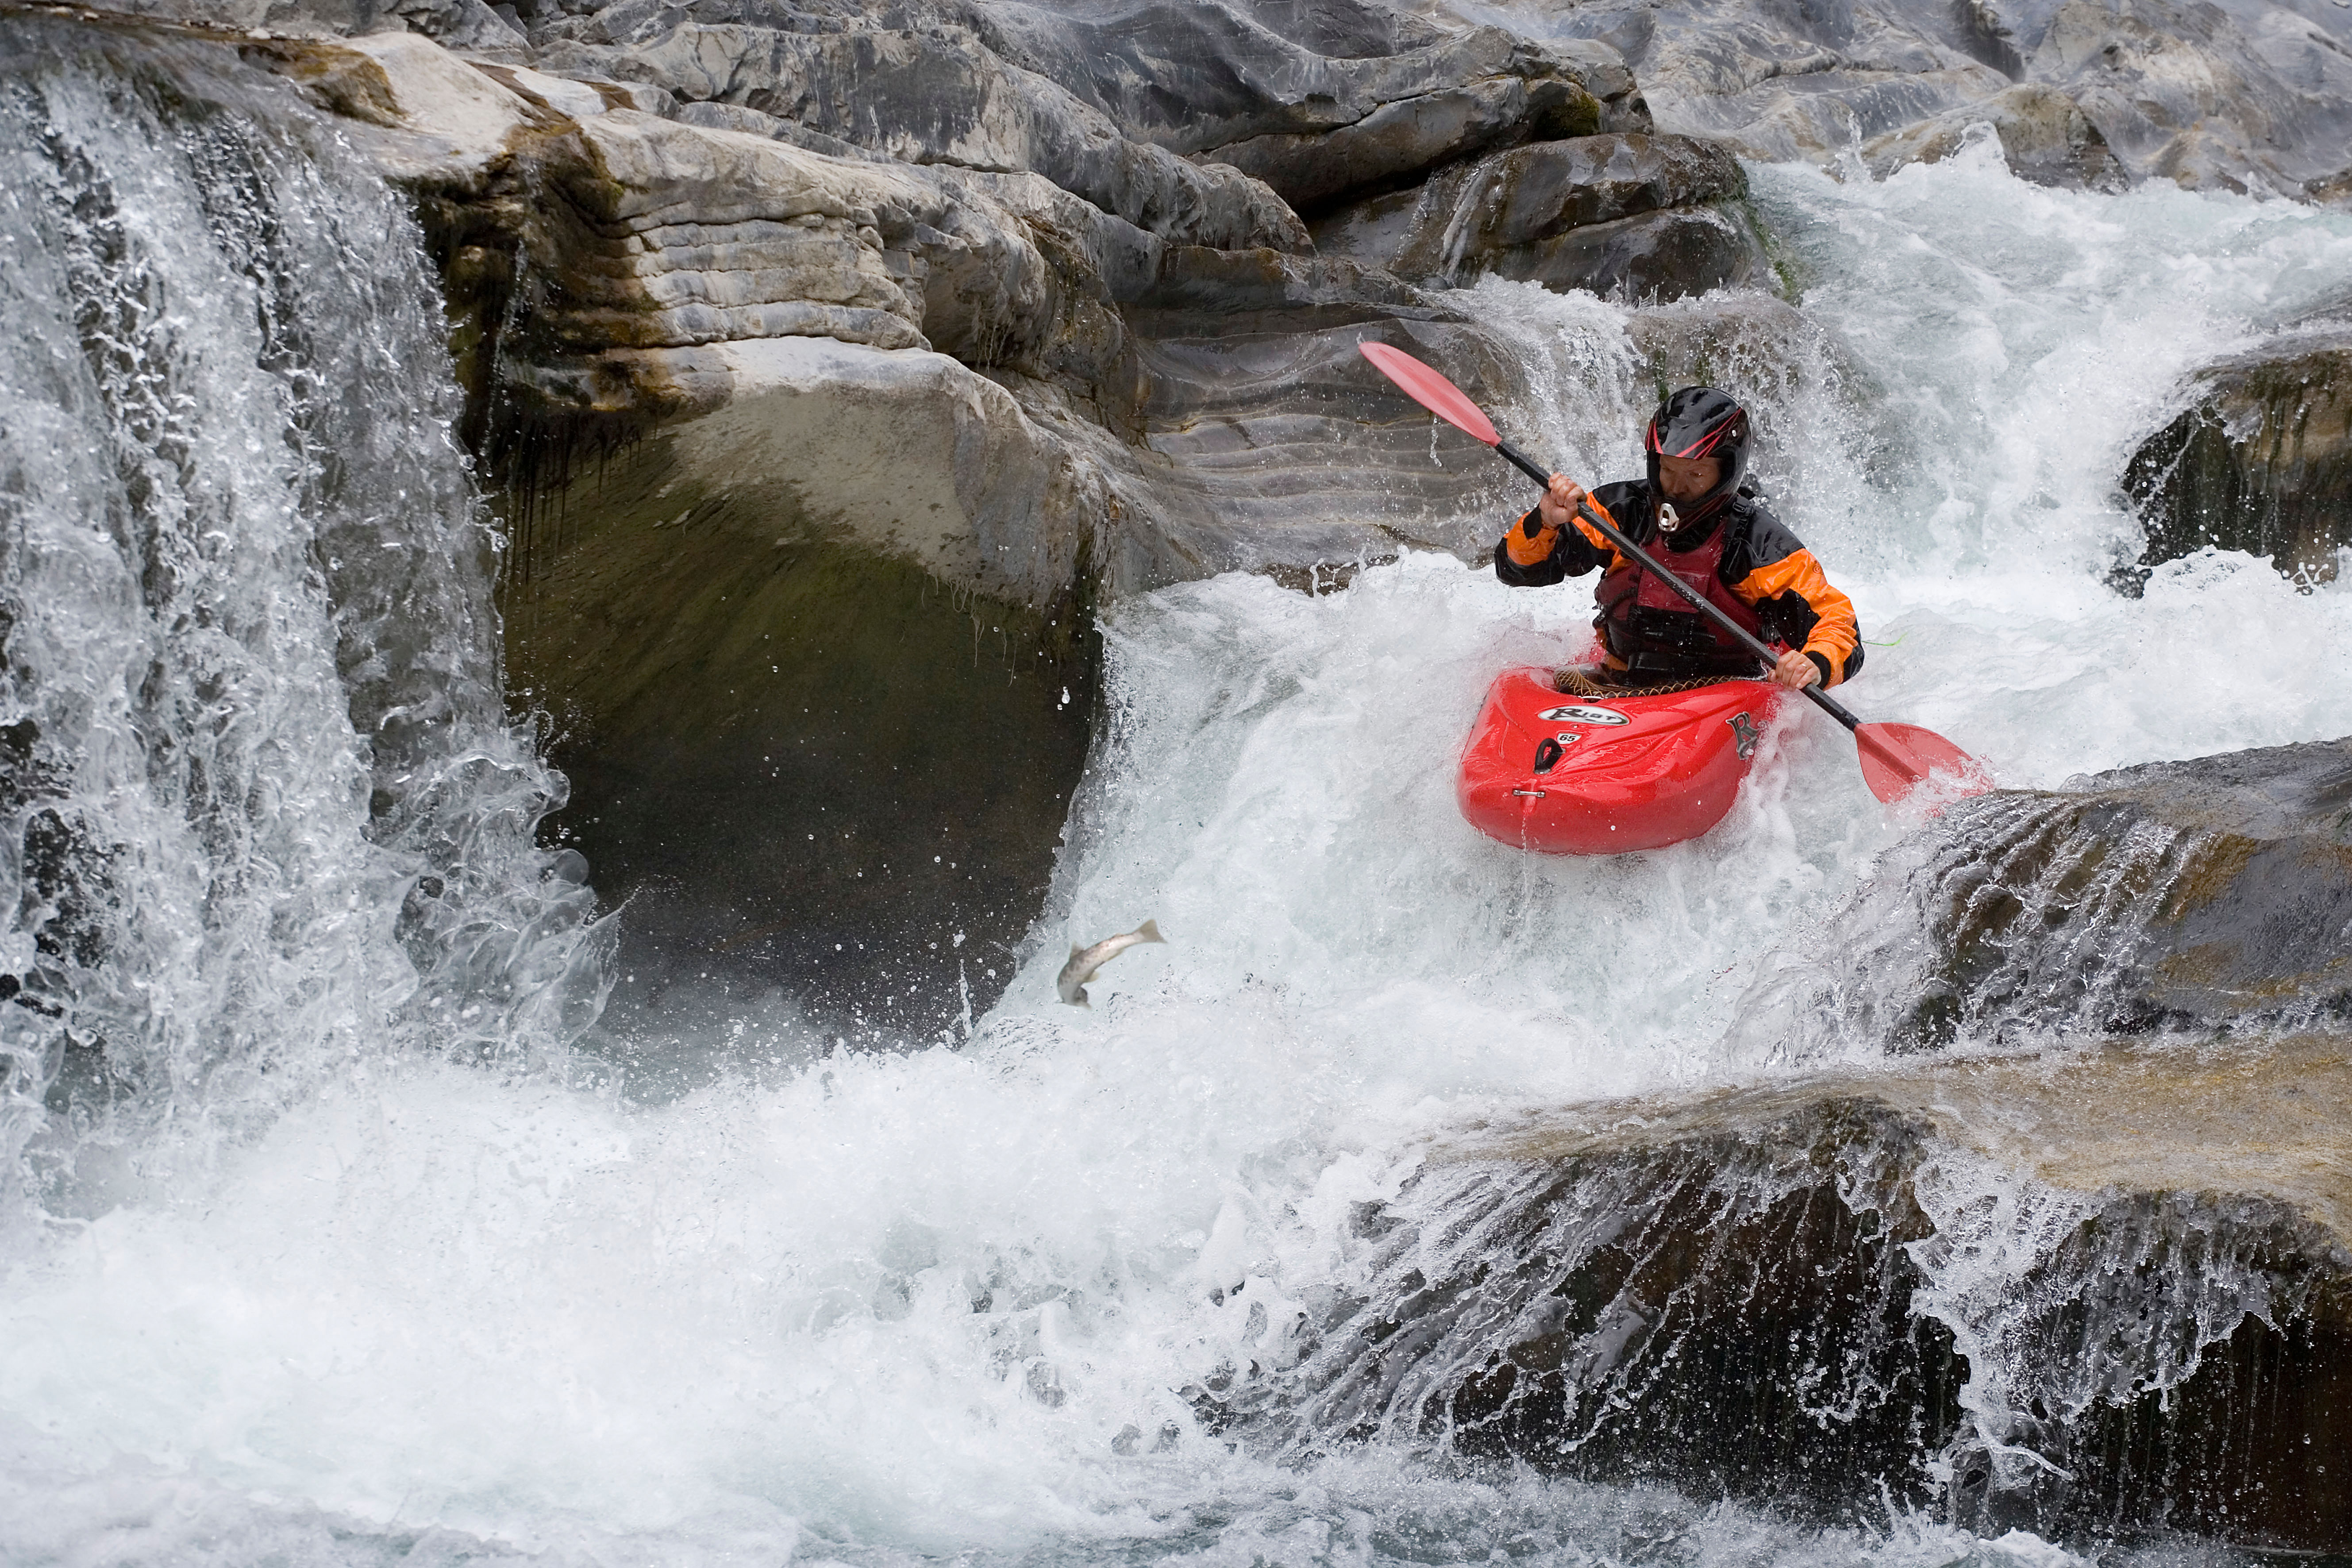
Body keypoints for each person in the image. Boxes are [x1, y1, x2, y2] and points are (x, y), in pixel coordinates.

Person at [1494, 387, 1861, 692]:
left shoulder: (1757, 545)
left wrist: (1814, 663)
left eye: (1696, 474)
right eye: (1668, 470)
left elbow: (1836, 620)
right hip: (1622, 679)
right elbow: (1516, 571)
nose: (1676, 488)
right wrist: (1544, 522)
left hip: (1722, 695)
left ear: (1725, 473)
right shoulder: (1619, 512)